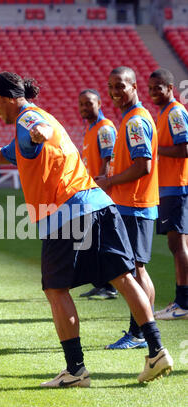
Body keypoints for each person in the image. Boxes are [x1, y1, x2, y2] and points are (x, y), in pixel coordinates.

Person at [0, 71, 173, 386]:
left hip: (65, 214)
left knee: (55, 289)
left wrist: (40, 131)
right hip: (99, 204)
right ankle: (157, 349)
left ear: (10, 98)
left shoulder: (29, 120)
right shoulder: (30, 124)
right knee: (123, 276)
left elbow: (39, 128)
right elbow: (3, 154)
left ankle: (75, 370)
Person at [96, 66, 159, 350]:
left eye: (120, 85)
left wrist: (109, 181)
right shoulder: (130, 119)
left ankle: (139, 333)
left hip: (134, 205)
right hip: (133, 204)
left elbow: (143, 166)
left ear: (134, 86)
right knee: (135, 269)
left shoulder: (135, 121)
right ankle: (141, 331)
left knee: (136, 270)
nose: (114, 91)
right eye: (111, 86)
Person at [148, 68, 188, 320]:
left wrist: (155, 148)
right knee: (177, 244)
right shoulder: (164, 113)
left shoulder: (175, 112)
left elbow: (184, 149)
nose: (153, 92)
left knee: (178, 243)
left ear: (170, 88)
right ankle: (181, 301)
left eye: (158, 88)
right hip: (168, 187)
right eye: (150, 88)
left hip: (177, 186)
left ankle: (183, 302)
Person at [78, 88, 118, 300]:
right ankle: (102, 283)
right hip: (92, 192)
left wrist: (100, 187)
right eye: (81, 104)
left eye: (89, 103)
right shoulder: (92, 129)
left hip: (102, 194)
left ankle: (110, 287)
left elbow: (109, 159)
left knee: (102, 240)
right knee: (93, 240)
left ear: (100, 104)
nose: (84, 107)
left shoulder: (104, 129)